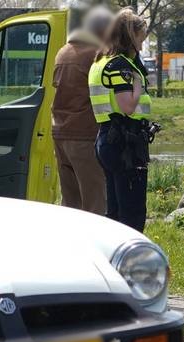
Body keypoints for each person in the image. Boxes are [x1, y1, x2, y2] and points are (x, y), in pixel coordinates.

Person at [89, 9, 153, 232]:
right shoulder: (120, 66)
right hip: (125, 142)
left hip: (108, 138)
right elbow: (127, 106)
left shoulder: (100, 61)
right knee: (132, 214)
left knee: (115, 210)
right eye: (141, 40)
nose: (142, 47)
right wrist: (137, 83)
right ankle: (131, 263)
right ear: (130, 37)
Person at [51, 6, 114, 215]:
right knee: (95, 201)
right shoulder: (96, 55)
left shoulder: (63, 52)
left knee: (70, 202)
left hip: (61, 132)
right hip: (85, 134)